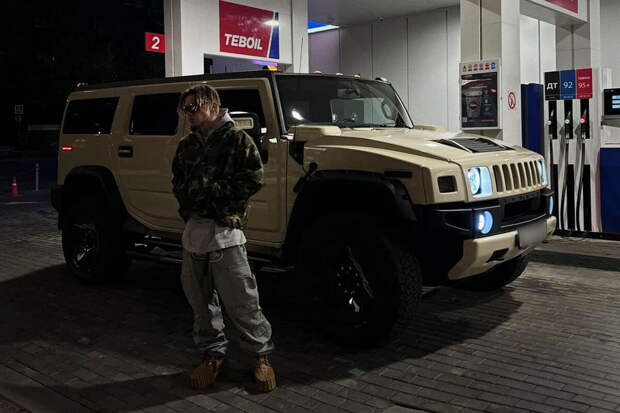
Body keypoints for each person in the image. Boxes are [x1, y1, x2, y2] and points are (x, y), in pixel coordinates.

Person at [171, 84, 275, 392]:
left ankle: (260, 358)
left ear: (212, 106)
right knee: (200, 304)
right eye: (185, 108)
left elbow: (253, 179)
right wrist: (189, 206)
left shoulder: (237, 140)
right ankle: (212, 356)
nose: (188, 114)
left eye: (193, 107)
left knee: (242, 301)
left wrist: (214, 199)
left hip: (226, 235)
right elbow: (178, 181)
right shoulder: (187, 145)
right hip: (194, 236)